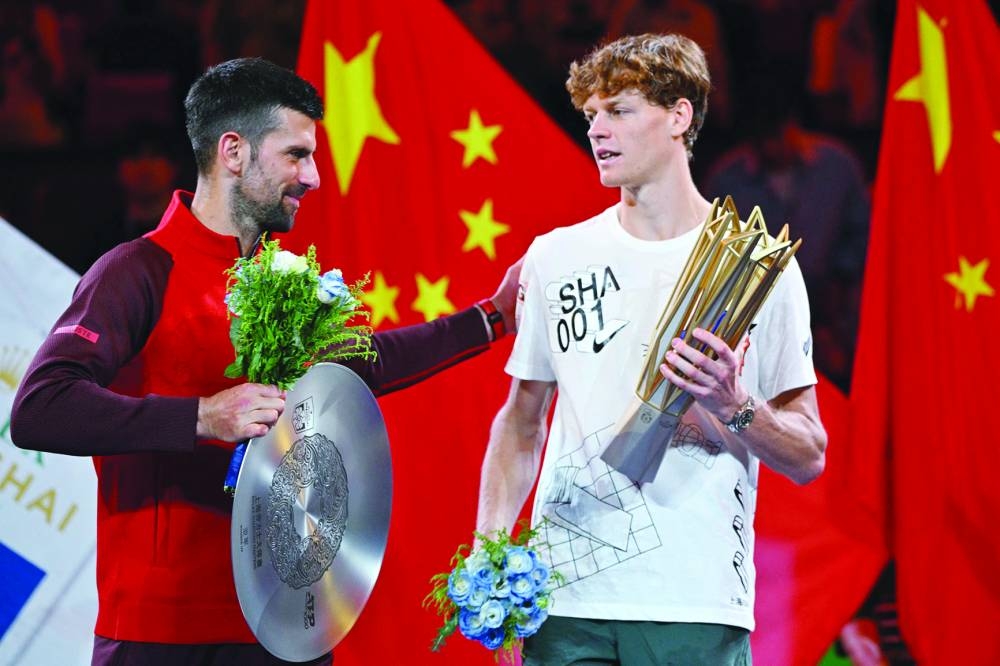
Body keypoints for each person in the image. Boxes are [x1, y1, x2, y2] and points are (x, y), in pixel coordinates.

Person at [10, 57, 518, 666]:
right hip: (161, 636)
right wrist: (200, 417)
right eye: (296, 155)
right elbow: (41, 407)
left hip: (285, 629)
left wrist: (491, 318)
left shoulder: (284, 280)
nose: (315, 177)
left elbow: (363, 363)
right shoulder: (136, 271)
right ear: (233, 151)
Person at [475, 34, 827, 665]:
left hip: (693, 603)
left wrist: (734, 403)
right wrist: (489, 555)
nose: (597, 130)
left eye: (619, 110)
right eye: (590, 116)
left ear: (680, 116)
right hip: (564, 603)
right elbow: (521, 423)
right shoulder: (555, 257)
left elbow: (807, 456)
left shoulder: (760, 269)